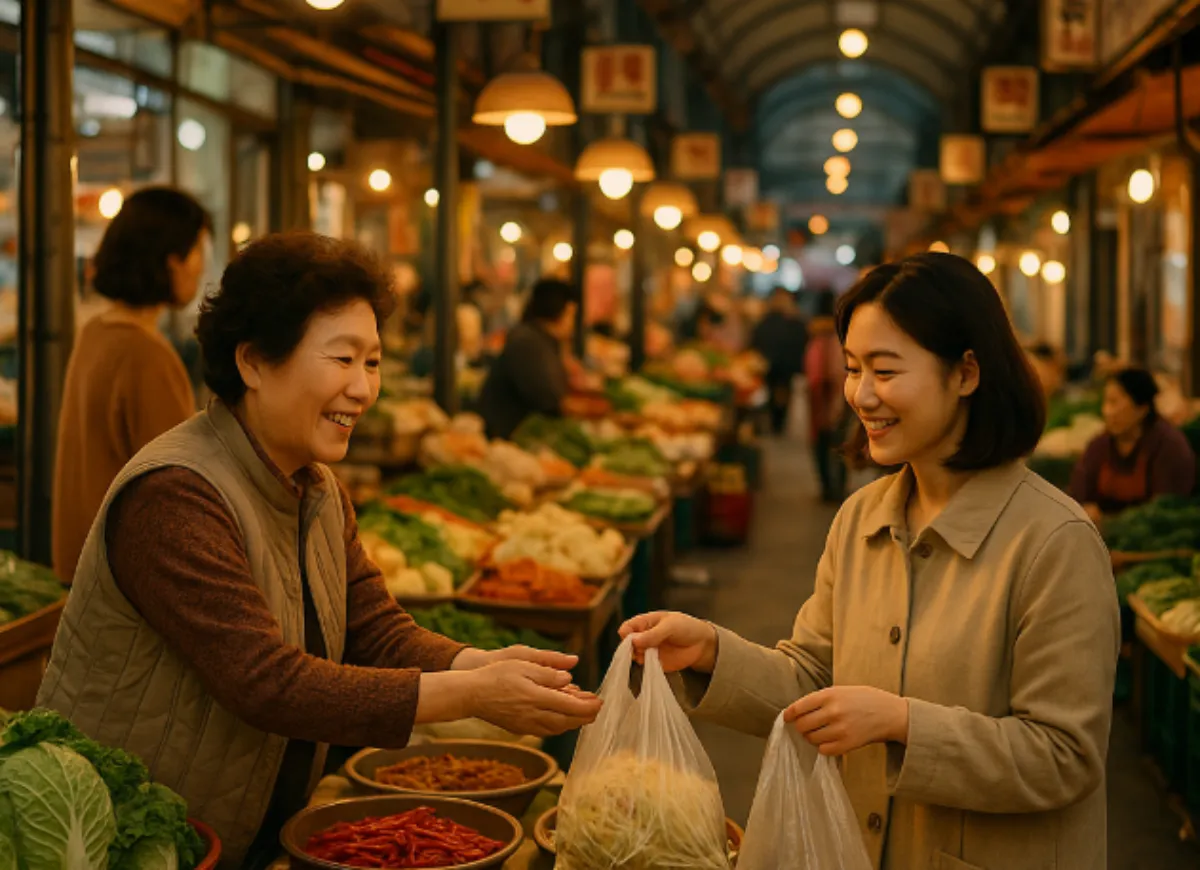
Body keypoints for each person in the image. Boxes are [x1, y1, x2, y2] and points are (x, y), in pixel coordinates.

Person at [38, 234, 601, 869]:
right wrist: (470, 696)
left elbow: (375, 631)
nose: (362, 388)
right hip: (133, 840)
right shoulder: (175, 494)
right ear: (252, 362)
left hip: (243, 830)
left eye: (374, 362)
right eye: (342, 359)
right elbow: (266, 683)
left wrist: (481, 663)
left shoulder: (317, 489)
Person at [621, 253, 1118, 870]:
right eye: (853, 368)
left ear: (966, 372)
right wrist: (711, 653)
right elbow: (813, 682)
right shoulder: (862, 519)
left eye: (885, 370)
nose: (860, 394)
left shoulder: (1053, 543)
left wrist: (904, 723)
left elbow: (1064, 757)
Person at [52, 187, 211, 582]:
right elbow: (180, 493)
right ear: (170, 260)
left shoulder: (96, 333)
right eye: (196, 252)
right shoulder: (146, 355)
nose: (200, 267)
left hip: (83, 570)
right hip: (124, 584)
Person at [1070, 366, 1196, 522]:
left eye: (1114, 402)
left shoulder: (1169, 446)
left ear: (1141, 409)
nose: (1106, 411)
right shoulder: (1100, 445)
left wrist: (1111, 522)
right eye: (1106, 402)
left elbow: (1165, 509)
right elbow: (1078, 493)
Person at [476, 278, 577, 440]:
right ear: (559, 311)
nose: (573, 323)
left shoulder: (540, 338)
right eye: (572, 314)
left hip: (522, 434)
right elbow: (549, 400)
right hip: (508, 437)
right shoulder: (528, 343)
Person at [804, 289, 846, 500]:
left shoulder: (815, 338)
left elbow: (813, 375)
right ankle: (837, 485)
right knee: (840, 442)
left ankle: (827, 487)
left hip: (820, 397)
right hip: (838, 395)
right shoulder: (840, 337)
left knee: (820, 442)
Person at [751, 287, 808, 435]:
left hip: (778, 364)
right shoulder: (790, 320)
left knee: (777, 393)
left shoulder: (772, 319)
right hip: (780, 364)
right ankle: (777, 423)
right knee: (778, 394)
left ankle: (776, 423)